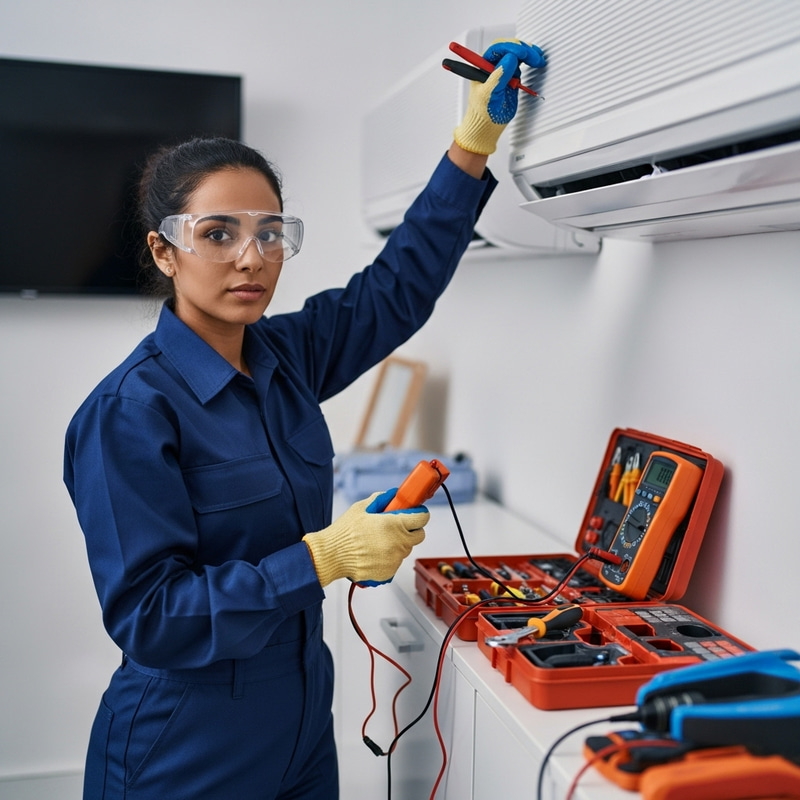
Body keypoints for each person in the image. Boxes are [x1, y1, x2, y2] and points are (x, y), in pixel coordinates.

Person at [63, 39, 545, 800]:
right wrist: (322, 557)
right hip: (185, 744)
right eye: (217, 234)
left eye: (269, 232)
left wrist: (471, 145)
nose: (250, 258)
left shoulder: (285, 355)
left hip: (301, 727)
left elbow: (396, 288)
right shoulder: (129, 413)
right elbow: (153, 618)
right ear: (164, 252)